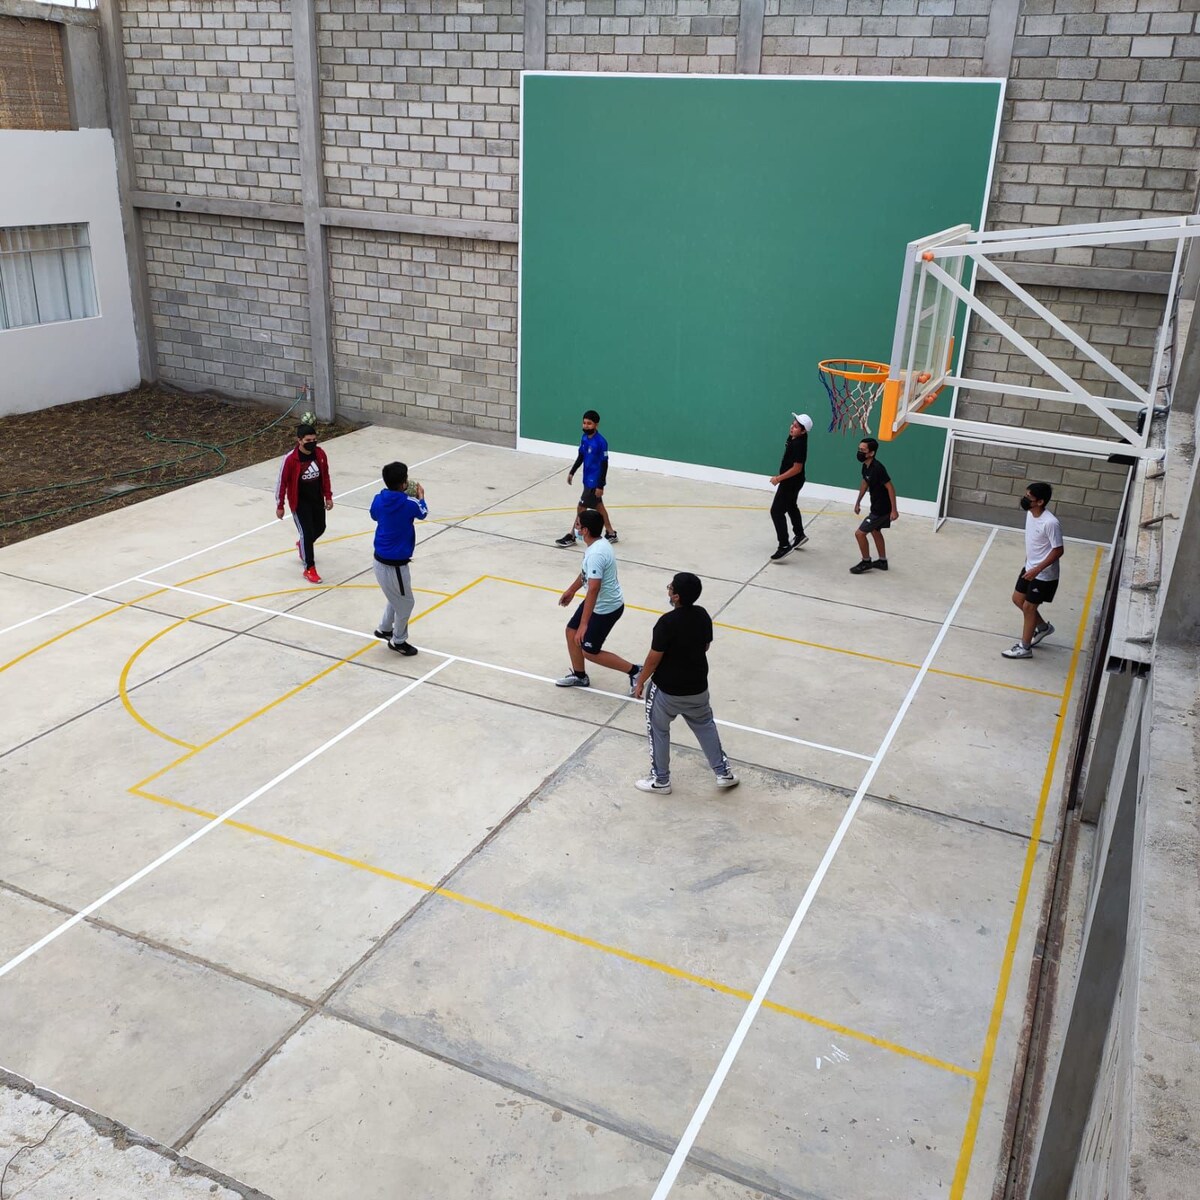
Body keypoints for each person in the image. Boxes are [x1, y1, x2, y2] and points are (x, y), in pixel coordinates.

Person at [631, 572, 739, 795]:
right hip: (698, 688)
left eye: (670, 587)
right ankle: (723, 773)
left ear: (677, 596)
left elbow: (653, 658)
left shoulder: (666, 622)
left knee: (658, 730)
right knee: (705, 726)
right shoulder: (702, 615)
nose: (668, 590)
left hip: (666, 691)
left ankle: (661, 780)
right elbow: (705, 646)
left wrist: (640, 682)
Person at [555, 509, 640, 691]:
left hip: (606, 608)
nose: (575, 528)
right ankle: (579, 676)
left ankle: (635, 671)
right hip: (596, 603)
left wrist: (584, 624)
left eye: (577, 525)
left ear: (585, 530)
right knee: (571, 631)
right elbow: (587, 574)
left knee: (590, 651)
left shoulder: (596, 554)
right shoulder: (597, 544)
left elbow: (594, 588)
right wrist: (571, 590)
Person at [369, 462, 427, 656]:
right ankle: (398, 640)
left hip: (379, 559)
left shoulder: (378, 499)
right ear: (403, 483)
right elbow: (423, 513)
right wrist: (421, 497)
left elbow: (374, 516)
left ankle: (384, 628)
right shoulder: (409, 504)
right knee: (406, 602)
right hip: (395, 565)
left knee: (396, 596)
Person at [1002, 481, 1064, 660]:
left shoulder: (1051, 523)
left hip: (1043, 575)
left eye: (1029, 497)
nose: (1025, 499)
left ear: (1040, 502)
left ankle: (1025, 647)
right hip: (1029, 567)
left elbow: (1058, 550)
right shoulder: (1030, 514)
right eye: (1026, 495)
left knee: (1029, 608)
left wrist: (1037, 569)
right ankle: (1043, 628)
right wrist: (1029, 563)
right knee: (1017, 599)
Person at [276, 423, 333, 583]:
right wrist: (280, 505)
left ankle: (302, 545)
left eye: (315, 439)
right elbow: (282, 482)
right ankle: (309, 568)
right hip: (300, 503)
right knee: (307, 534)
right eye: (308, 439)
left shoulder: (320, 454)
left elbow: (325, 476)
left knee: (320, 527)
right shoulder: (290, 459)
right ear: (299, 440)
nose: (312, 442)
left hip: (317, 499)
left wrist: (328, 496)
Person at [556, 409, 618, 546]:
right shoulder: (584, 439)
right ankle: (611, 533)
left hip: (594, 483)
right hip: (586, 480)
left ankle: (572, 535)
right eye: (584, 423)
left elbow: (604, 464)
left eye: (589, 424)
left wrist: (600, 485)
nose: (586, 426)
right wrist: (572, 471)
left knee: (581, 507)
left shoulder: (601, 442)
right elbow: (581, 456)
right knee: (599, 507)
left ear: (596, 425)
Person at [850, 436, 898, 574]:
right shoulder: (866, 466)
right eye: (859, 449)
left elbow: (890, 488)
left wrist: (894, 510)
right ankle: (882, 561)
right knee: (875, 531)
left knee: (859, 534)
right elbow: (865, 483)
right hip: (876, 506)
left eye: (863, 450)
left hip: (881, 509)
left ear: (871, 453)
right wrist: (858, 501)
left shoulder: (878, 468)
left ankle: (866, 561)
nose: (860, 452)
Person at [769, 412, 812, 561]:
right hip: (794, 481)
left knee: (776, 511)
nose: (792, 427)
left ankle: (784, 545)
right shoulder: (794, 438)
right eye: (792, 424)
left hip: (791, 482)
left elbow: (797, 468)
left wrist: (778, 479)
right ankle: (799, 535)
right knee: (791, 505)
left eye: (796, 427)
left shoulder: (799, 444)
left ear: (803, 431)